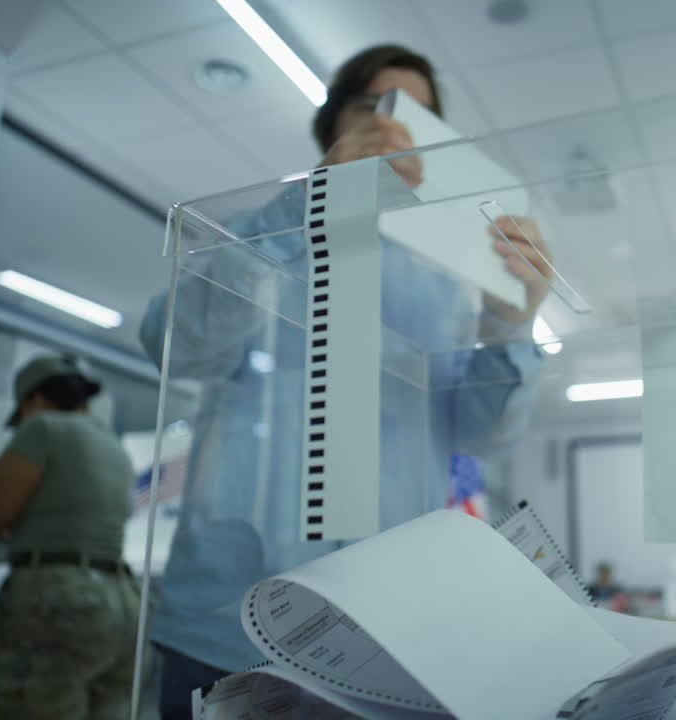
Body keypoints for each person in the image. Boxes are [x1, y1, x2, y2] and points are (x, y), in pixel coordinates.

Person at [138, 45, 551, 720]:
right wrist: (310, 202)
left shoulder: (447, 274)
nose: (398, 126)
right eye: (377, 106)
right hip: (228, 620)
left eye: (421, 114)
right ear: (334, 123)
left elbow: (482, 434)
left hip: (388, 629)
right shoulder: (261, 233)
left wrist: (509, 324)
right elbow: (174, 347)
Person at [0, 355, 140, 719]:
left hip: (60, 599)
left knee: (22, 706)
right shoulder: (114, 446)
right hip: (122, 601)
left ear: (34, 401)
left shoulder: (43, 428)